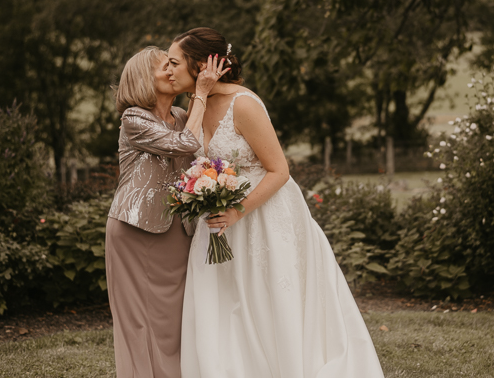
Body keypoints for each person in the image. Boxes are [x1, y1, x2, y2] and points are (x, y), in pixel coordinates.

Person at [167, 28, 385, 378]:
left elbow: (280, 170)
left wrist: (237, 211)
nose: (167, 69)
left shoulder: (244, 104)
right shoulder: (194, 105)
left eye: (174, 62)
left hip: (263, 216)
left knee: (265, 302)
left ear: (200, 65)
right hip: (217, 221)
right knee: (222, 303)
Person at [106, 46, 228, 378]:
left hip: (178, 230)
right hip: (134, 230)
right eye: (166, 66)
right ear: (146, 78)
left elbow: (202, 152)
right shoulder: (133, 118)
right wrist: (200, 93)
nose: (173, 71)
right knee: (140, 323)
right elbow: (183, 145)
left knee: (175, 318)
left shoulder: (182, 115)